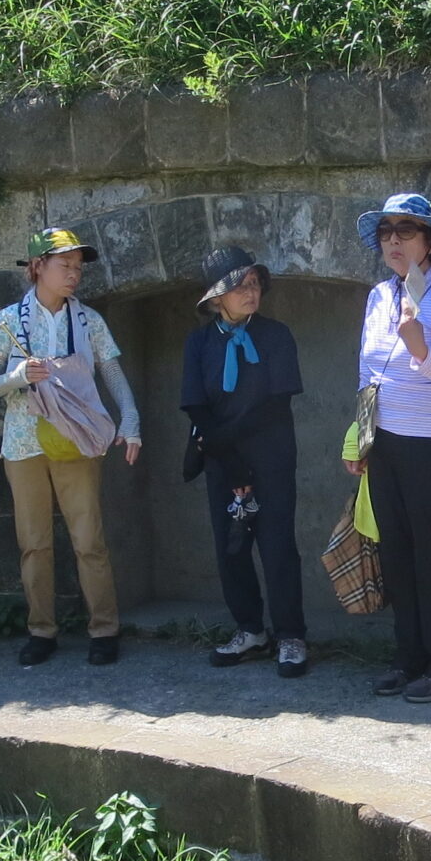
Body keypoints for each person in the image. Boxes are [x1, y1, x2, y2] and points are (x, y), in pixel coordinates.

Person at [0, 227, 142, 667]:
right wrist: (17, 377)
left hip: (76, 438)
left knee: (89, 539)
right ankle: (41, 630)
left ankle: (104, 629)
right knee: (33, 543)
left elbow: (112, 373)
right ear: (37, 266)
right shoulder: (10, 319)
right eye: (64, 264)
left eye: (78, 267)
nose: (74, 274)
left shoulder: (88, 320)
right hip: (23, 442)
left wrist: (130, 418)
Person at [347, 192, 431, 704]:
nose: (393, 241)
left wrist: (418, 344)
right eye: (386, 232)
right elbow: (368, 373)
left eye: (406, 230)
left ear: (429, 241)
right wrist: (360, 437)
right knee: (397, 554)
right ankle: (411, 659)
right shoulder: (379, 296)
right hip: (386, 443)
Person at [182, 246, 311, 677]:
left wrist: (228, 444)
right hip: (222, 461)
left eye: (254, 284)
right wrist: (228, 459)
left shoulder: (276, 335)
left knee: (277, 547)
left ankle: (290, 634)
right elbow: (195, 404)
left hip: (271, 456)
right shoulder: (200, 342)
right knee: (231, 547)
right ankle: (250, 629)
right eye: (239, 286)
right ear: (217, 297)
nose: (250, 292)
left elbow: (276, 403)